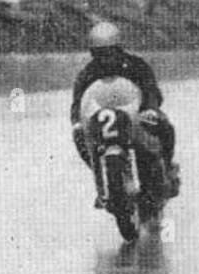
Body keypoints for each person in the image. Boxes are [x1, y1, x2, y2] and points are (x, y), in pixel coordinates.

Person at [69, 23, 179, 197]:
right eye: (99, 53)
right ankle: (102, 174)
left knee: (165, 126)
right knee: (79, 136)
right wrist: (77, 121)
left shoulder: (136, 65)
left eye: (111, 52)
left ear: (119, 49)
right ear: (93, 53)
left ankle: (168, 167)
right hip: (105, 121)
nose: (106, 58)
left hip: (137, 115)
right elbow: (78, 101)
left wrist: (150, 108)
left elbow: (150, 89)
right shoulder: (87, 73)